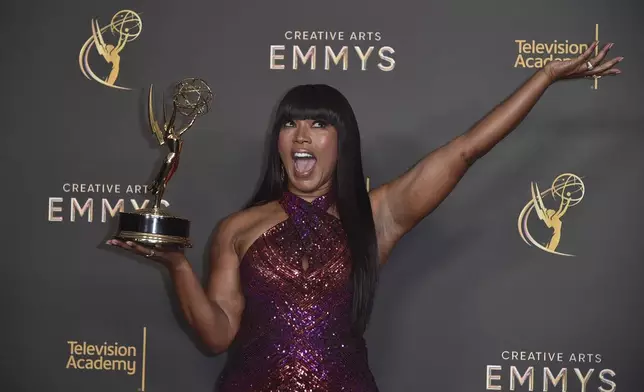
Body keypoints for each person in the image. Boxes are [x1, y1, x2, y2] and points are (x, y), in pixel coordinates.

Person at [107, 41, 621, 391]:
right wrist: (176, 266)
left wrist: (545, 76)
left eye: (318, 125)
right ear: (279, 141)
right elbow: (217, 334)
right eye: (291, 125)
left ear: (341, 142)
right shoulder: (237, 230)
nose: (303, 135)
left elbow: (465, 150)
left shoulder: (377, 216)